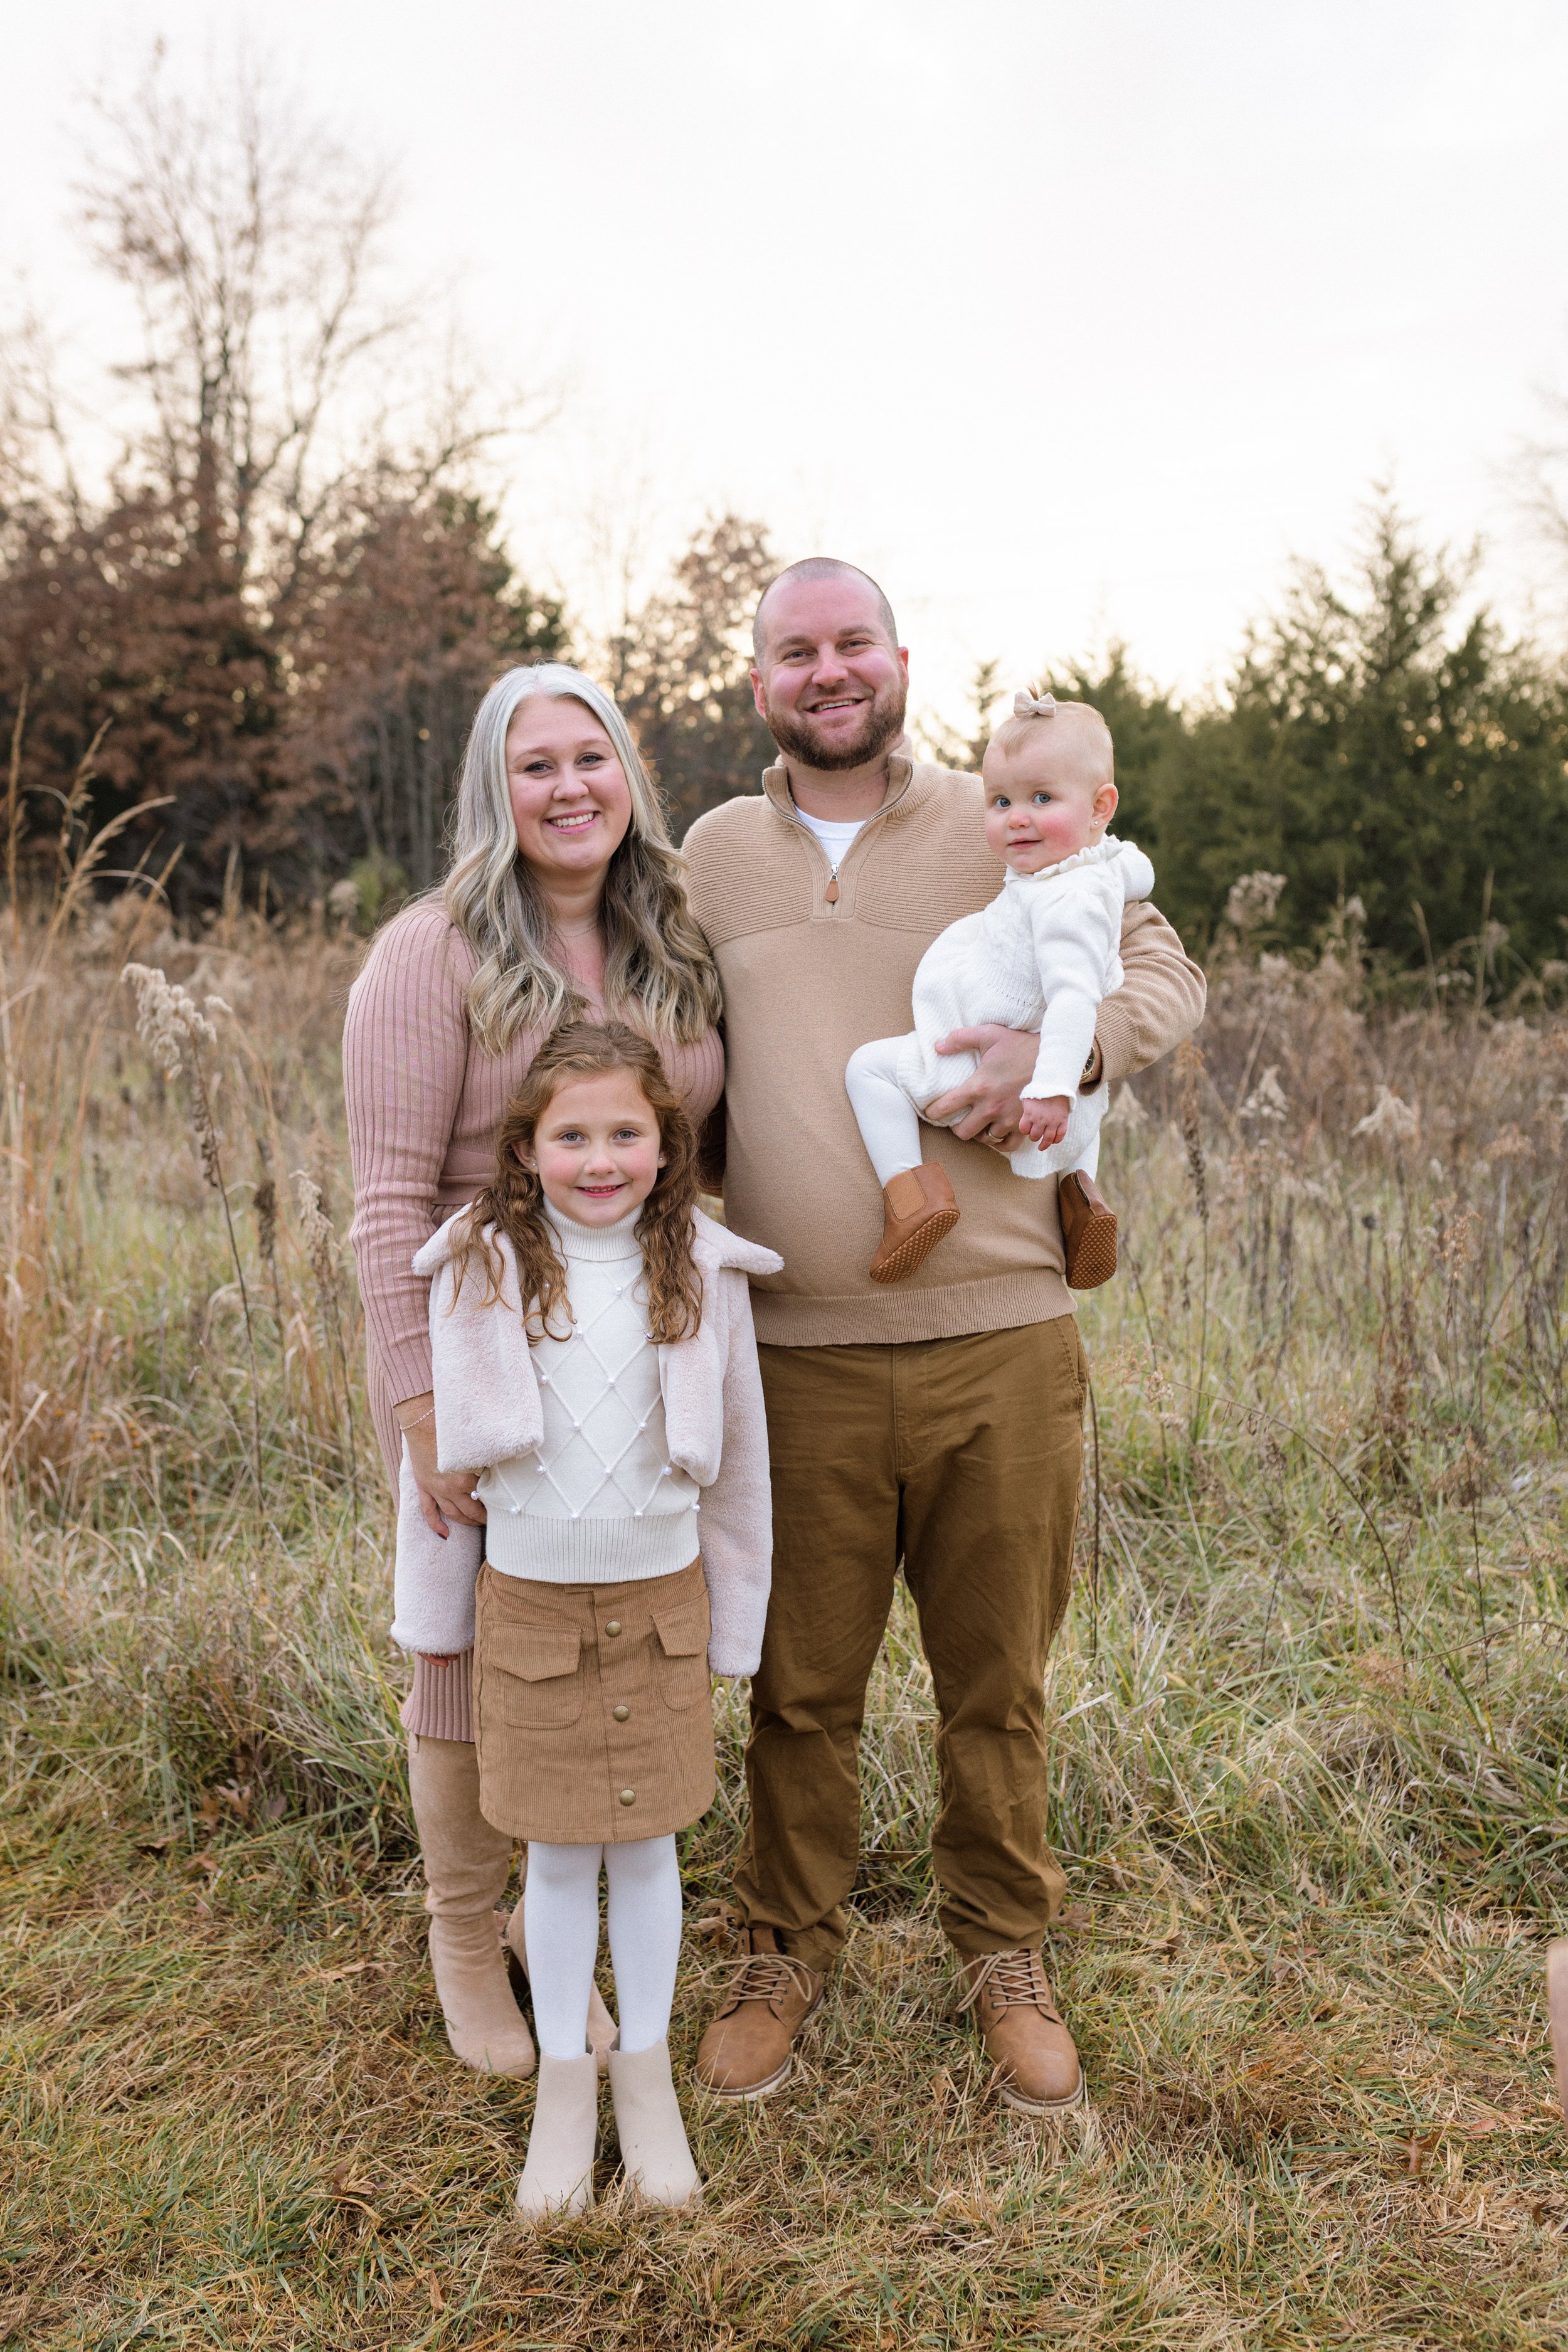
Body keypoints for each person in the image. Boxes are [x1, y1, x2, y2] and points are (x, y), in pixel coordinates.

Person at [681, 558, 1206, 2114]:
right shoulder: (708, 853)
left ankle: (1004, 1945)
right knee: (799, 1683)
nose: (827, 671)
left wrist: (1077, 1043)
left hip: (1001, 1330)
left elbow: (1161, 964)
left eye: (853, 644)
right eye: (796, 651)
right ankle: (784, 1943)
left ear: (900, 660)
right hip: (794, 1345)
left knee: (998, 1676)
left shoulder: (1007, 817)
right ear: (759, 676)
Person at [344, 664, 724, 2081]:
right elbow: (387, 1199)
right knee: (458, 1629)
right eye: (535, 764)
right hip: (486, 1347)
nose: (569, 786)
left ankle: (562, 1898)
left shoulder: (672, 941)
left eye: (593, 756)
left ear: (630, 772)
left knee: (600, 1627)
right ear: (492, 794)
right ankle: (463, 1923)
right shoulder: (429, 952)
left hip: (639, 1334)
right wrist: (423, 1403)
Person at [390, 1022, 776, 2215]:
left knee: (651, 1844)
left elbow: (745, 1464)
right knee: (556, 1854)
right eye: (571, 1136)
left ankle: (645, 2074)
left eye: (626, 1133)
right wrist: (434, 1620)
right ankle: (570, 2081)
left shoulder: (704, 1275)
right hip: (533, 1609)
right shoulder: (482, 1269)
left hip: (661, 1603)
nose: (599, 1159)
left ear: (669, 1148)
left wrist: (738, 1626)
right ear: (527, 1148)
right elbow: (437, 1483)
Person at [844, 689, 1152, 1284]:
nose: (1017, 817)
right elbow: (1136, 869)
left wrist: (1053, 1087)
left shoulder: (1065, 900)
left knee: (870, 1070)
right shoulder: (1099, 868)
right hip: (1068, 1092)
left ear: (1100, 806)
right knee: (1082, 1130)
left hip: (992, 1066)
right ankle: (1084, 1202)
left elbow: (1073, 999)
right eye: (1001, 801)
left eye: (1042, 798)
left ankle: (913, 1201)